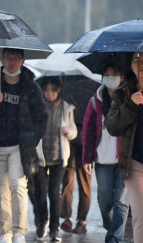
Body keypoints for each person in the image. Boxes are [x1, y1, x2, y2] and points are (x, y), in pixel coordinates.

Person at [0, 48, 48, 243]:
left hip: (19, 146)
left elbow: (42, 118)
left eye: (16, 58)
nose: (11, 62)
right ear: (1, 59)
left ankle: (18, 231)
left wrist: (32, 140)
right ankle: (4, 232)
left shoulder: (31, 87)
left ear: (23, 60)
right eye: (7, 58)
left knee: (17, 185)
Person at [82, 62, 129, 243]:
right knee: (105, 201)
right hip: (102, 160)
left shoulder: (128, 99)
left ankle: (114, 239)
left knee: (121, 201)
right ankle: (112, 228)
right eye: (107, 75)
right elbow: (88, 131)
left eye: (114, 74)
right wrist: (87, 157)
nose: (111, 78)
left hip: (123, 159)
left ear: (122, 77)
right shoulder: (96, 101)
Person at [104, 52, 143, 243]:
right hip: (134, 162)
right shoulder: (123, 93)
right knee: (140, 214)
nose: (141, 64)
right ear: (130, 65)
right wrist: (131, 105)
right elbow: (112, 126)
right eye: (137, 59)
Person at [34, 77, 77, 241]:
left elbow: (74, 132)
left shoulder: (66, 107)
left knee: (54, 194)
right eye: (46, 90)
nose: (49, 93)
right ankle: (43, 220)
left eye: (53, 90)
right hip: (40, 156)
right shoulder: (38, 106)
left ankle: (54, 229)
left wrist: (69, 132)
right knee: (40, 192)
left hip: (59, 157)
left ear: (58, 90)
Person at [59, 125, 91, 235]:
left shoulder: (90, 106)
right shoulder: (69, 107)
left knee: (84, 186)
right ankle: (68, 217)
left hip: (86, 145)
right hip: (70, 143)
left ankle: (82, 221)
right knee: (67, 182)